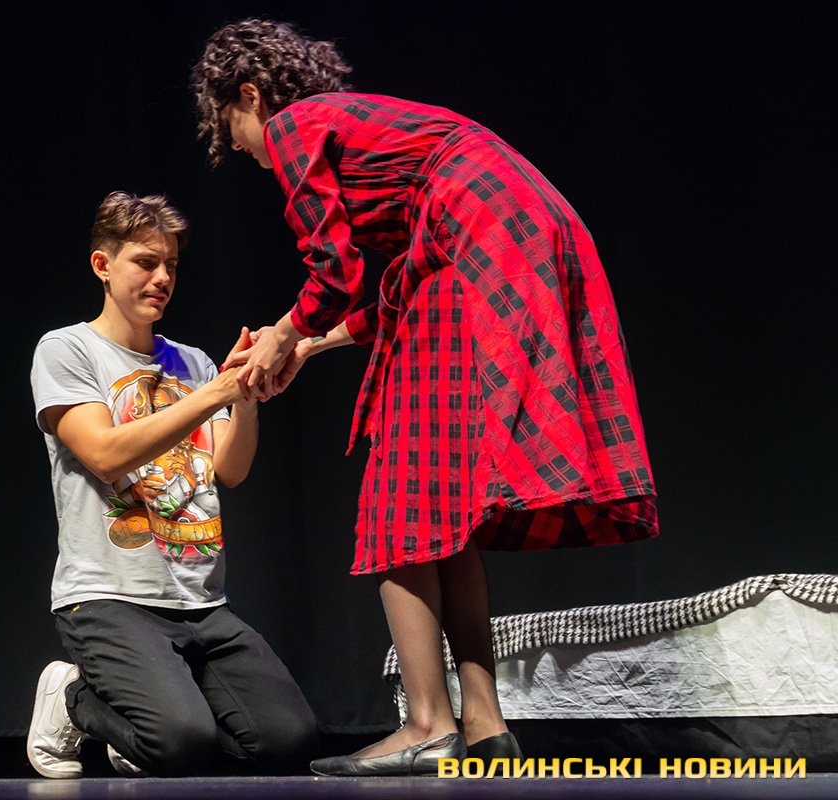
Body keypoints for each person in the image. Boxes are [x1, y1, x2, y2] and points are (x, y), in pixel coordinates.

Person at [191, 18, 659, 777]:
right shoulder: (386, 144)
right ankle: (484, 723)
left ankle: (427, 723)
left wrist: (283, 331)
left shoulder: (294, 125)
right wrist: (309, 345)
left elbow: (335, 267)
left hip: (484, 233)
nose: (241, 148)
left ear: (248, 95)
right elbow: (401, 285)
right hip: (506, 226)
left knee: (399, 500)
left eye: (230, 127)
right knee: (442, 504)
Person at [25, 190, 319, 779]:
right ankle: (72, 699)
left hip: (200, 601)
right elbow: (104, 454)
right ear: (103, 265)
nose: (162, 278)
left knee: (289, 739)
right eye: (145, 262)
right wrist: (216, 394)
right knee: (180, 742)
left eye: (172, 266)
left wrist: (246, 395)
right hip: (108, 598)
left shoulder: (194, 363)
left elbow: (230, 470)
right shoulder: (67, 349)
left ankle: (142, 728)